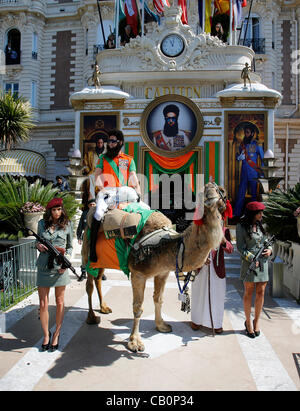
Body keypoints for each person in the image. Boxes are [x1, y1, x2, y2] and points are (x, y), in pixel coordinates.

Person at [89, 129, 141, 262]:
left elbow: (133, 177)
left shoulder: (129, 159)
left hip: (124, 191)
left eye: (113, 141)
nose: (110, 144)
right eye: (109, 141)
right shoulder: (103, 158)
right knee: (98, 213)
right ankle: (92, 249)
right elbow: (97, 176)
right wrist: (102, 189)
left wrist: (138, 192)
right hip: (108, 191)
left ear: (120, 142)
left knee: (143, 209)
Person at [35, 197, 73, 351]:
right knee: (43, 304)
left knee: (59, 302)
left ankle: (56, 334)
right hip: (44, 267)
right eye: (54, 210)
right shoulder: (41, 224)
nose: (57, 212)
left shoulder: (67, 225)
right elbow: (36, 242)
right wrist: (39, 246)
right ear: (50, 211)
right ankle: (46, 335)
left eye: (59, 209)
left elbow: (69, 247)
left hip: (60, 269)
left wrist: (66, 261)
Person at [191, 202, 234, 333]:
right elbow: (192, 247)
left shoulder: (224, 231)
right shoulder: (199, 229)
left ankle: (216, 323)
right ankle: (196, 321)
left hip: (217, 269)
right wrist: (201, 259)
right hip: (201, 267)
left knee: (217, 295)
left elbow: (230, 249)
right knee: (199, 293)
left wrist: (223, 242)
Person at [236, 201, 272, 338]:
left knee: (261, 292)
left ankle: (257, 322)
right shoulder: (241, 226)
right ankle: (248, 322)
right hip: (249, 264)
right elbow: (240, 247)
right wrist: (252, 258)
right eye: (259, 213)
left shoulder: (263, 225)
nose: (262, 215)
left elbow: (268, 242)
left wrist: (270, 250)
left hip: (263, 263)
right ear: (252, 214)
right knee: (248, 292)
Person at [233, 123, 264, 217]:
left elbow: (263, 159)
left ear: (252, 133)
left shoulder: (257, 145)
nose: (245, 134)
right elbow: (238, 155)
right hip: (244, 173)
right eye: (244, 132)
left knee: (254, 195)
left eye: (247, 132)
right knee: (241, 194)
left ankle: (254, 214)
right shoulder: (242, 145)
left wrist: (262, 173)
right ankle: (236, 213)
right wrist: (239, 157)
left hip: (254, 173)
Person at [76, 198, 106, 281]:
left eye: (94, 204)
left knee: (100, 255)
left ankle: (101, 273)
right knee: (84, 255)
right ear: (88, 206)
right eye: (90, 205)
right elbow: (80, 226)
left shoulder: (101, 213)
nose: (92, 206)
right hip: (86, 238)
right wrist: (79, 237)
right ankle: (83, 272)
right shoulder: (84, 214)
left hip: (98, 238)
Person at [83, 134, 107, 199]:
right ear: (96, 144)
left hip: (103, 173)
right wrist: (89, 171)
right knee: (90, 178)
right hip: (92, 172)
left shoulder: (106, 155)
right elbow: (85, 164)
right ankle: (91, 200)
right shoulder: (89, 153)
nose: (100, 144)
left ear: (103, 144)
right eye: (98, 143)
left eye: (101, 143)